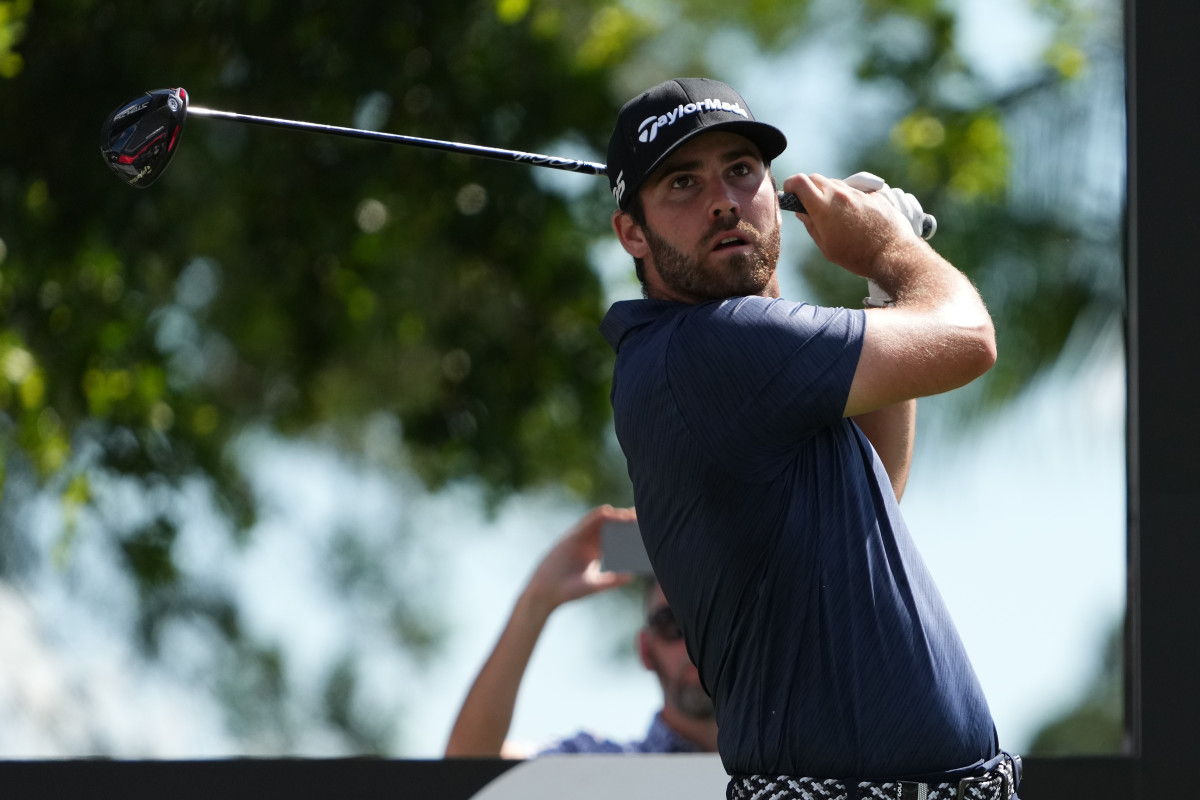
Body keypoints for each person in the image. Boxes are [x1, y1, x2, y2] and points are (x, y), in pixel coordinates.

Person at [600, 77, 1021, 799]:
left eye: (740, 169)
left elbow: (875, 486)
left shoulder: (729, 362)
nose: (723, 200)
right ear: (632, 232)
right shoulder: (714, 346)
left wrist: (885, 287)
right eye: (681, 183)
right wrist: (891, 251)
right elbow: (968, 339)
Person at [443, 505, 719, 758]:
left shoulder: (763, 773)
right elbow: (467, 766)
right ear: (646, 650)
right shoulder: (599, 774)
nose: (693, 641)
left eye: (710, 619)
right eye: (672, 624)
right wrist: (537, 601)